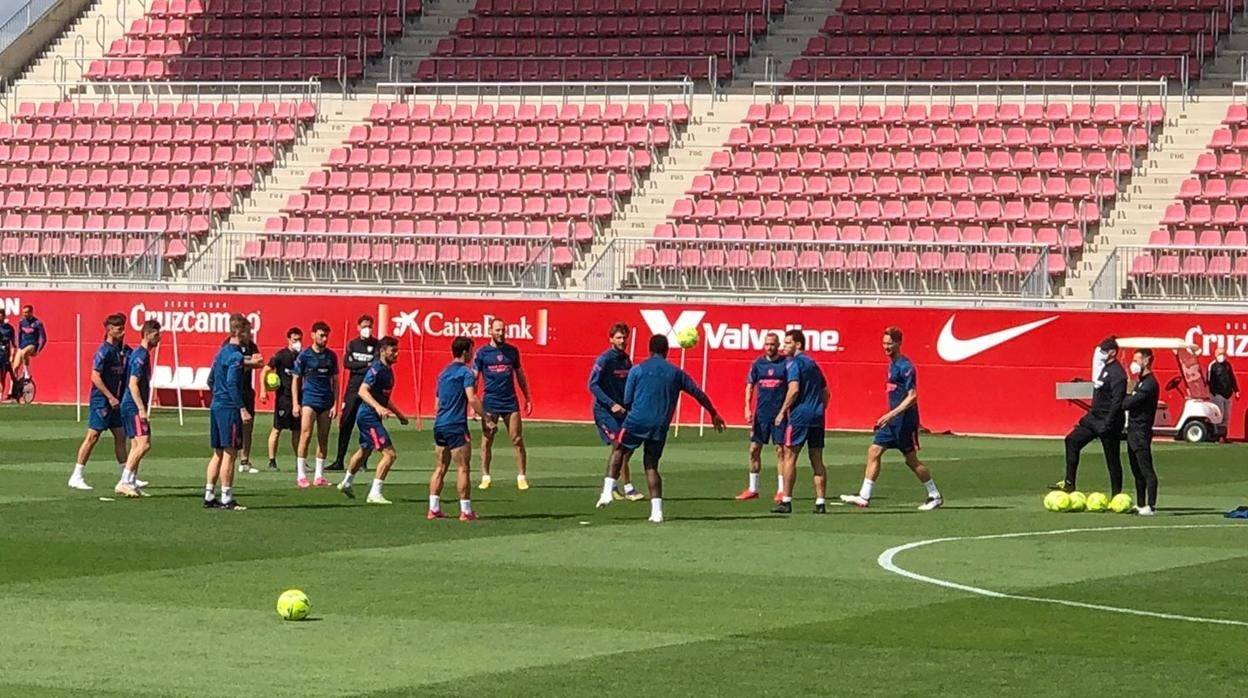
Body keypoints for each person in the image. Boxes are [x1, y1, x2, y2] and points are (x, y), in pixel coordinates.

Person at [595, 334, 726, 523]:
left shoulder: (637, 369)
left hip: (636, 421)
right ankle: (657, 513)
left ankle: (607, 491)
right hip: (660, 425)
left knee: (619, 449)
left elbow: (627, 399)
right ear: (667, 351)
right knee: (651, 466)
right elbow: (698, 393)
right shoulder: (677, 373)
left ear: (650, 350)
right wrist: (713, 413)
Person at [840, 327, 944, 511]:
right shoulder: (892, 364)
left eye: (889, 343)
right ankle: (864, 496)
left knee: (911, 460)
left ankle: (934, 495)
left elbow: (912, 396)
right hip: (892, 422)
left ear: (898, 343)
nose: (886, 347)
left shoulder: (906, 366)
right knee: (874, 451)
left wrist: (889, 415)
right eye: (884, 343)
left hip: (905, 422)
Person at [338, 337, 409, 504]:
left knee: (365, 450)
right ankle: (374, 493)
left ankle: (346, 483)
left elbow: (385, 398)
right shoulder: (376, 368)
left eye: (397, 350)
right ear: (383, 351)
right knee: (390, 454)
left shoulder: (388, 370)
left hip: (371, 415)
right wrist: (377, 407)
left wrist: (399, 414)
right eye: (393, 351)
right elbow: (362, 391)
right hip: (368, 416)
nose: (396, 354)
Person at [1054, 336, 1126, 495]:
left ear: (1113, 352)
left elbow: (1117, 401)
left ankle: (1116, 494)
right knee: (1072, 440)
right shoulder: (1105, 368)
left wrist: (1108, 423)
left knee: (1112, 458)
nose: (1101, 353)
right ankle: (1069, 483)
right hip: (1095, 417)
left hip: (1109, 421)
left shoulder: (1118, 374)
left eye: (1104, 351)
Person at [67, 314, 132, 491]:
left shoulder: (119, 351)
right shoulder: (104, 351)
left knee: (120, 435)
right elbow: (95, 376)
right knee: (92, 436)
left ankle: (126, 476)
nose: (123, 332)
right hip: (101, 400)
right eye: (119, 329)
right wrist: (109, 396)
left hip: (114, 401)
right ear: (110, 330)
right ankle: (76, 475)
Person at [771, 330, 831, 514]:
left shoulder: (794, 363)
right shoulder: (813, 364)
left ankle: (786, 501)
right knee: (817, 459)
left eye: (788, 343)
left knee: (789, 456)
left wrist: (782, 411)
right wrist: (819, 409)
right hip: (817, 417)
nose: (784, 346)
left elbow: (794, 389)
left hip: (799, 417)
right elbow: (826, 392)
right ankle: (820, 502)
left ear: (798, 344)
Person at [204, 315, 259, 511]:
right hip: (229, 408)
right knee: (230, 452)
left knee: (218, 452)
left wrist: (218, 396)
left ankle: (209, 494)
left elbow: (210, 380)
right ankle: (226, 497)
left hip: (216, 406)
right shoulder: (235, 356)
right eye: (248, 331)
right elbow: (232, 383)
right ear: (240, 332)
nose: (250, 335)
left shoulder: (221, 353)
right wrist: (242, 408)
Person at [428, 336, 485, 521]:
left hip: (439, 424)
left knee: (440, 467)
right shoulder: (466, 373)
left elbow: (436, 404)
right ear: (465, 352)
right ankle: (466, 511)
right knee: (463, 467)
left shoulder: (443, 373)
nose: (472, 354)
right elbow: (472, 398)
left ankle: (433, 508)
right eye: (471, 351)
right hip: (456, 425)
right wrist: (486, 418)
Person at [474, 318, 533, 491]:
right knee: (487, 439)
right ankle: (485, 476)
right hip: (490, 401)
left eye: (503, 330)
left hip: (510, 401)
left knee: (517, 438)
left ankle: (521, 477)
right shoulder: (482, 353)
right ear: (490, 331)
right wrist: (474, 405)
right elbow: (475, 378)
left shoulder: (512, 351)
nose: (501, 333)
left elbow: (520, 375)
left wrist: (527, 397)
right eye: (498, 330)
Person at [587, 322, 643, 502]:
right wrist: (611, 404)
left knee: (626, 448)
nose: (622, 341)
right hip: (605, 412)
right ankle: (627, 488)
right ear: (611, 339)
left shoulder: (626, 360)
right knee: (619, 445)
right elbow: (592, 385)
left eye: (624, 337)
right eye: (618, 337)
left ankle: (613, 485)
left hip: (623, 412)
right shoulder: (604, 360)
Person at [738, 331, 786, 502]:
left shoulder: (785, 364)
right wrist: (747, 407)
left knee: (780, 451)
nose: (769, 347)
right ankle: (753, 488)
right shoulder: (758, 364)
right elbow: (750, 385)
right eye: (767, 344)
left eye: (772, 344)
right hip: (761, 415)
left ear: (778, 345)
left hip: (779, 415)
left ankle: (782, 490)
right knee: (754, 449)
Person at [115, 320, 161, 498]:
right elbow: (133, 384)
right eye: (156, 335)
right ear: (147, 335)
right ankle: (124, 481)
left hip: (130, 405)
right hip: (133, 406)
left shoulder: (140, 354)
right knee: (144, 444)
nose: (159, 339)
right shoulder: (140, 356)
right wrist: (141, 409)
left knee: (136, 445)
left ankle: (132, 482)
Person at [291, 321, 339, 488]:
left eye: (326, 336)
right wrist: (295, 403)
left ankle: (319, 475)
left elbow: (335, 381)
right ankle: (301, 474)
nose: (324, 339)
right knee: (305, 435)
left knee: (323, 438)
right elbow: (296, 379)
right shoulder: (304, 356)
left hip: (326, 402)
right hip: (309, 400)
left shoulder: (331, 356)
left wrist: (335, 404)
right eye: (321, 335)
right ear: (313, 335)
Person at [330, 315, 380, 471]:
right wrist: (365, 364)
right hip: (352, 389)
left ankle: (363, 461)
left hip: (369, 389)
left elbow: (375, 366)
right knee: (346, 423)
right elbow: (347, 363)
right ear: (358, 327)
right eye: (364, 326)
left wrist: (358, 365)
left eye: (369, 326)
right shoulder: (352, 344)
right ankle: (339, 460)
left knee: (366, 423)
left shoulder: (377, 345)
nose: (367, 329)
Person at [222, 315, 261, 474]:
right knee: (231, 428)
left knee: (247, 427)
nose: (250, 334)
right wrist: (247, 363)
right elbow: (228, 365)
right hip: (233, 393)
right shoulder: (228, 345)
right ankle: (228, 458)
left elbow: (259, 361)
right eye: (248, 331)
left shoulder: (252, 346)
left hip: (246, 390)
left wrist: (244, 364)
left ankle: (245, 460)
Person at [260, 327, 303, 471]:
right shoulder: (281, 355)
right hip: (283, 399)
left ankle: (299, 462)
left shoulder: (302, 356)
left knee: (297, 431)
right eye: (295, 340)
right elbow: (265, 371)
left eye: (299, 339)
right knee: (277, 429)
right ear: (288, 339)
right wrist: (263, 390)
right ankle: (272, 461)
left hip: (299, 398)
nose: (297, 342)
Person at [1124, 349, 1160, 516]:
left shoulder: (1150, 384)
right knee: (1136, 470)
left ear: (1146, 361)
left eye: (1136, 360)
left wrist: (1127, 396)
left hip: (1141, 431)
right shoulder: (1140, 382)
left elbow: (1128, 403)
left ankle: (1151, 506)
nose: (1134, 363)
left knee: (1147, 470)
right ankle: (1140, 503)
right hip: (1133, 430)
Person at [10, 304, 46, 398]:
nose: (24, 314)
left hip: (32, 345)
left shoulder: (37, 323)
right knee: (14, 368)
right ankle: (14, 390)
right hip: (22, 346)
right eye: (23, 312)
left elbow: (43, 338)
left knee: (24, 352)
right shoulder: (21, 322)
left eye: (26, 312)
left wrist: (38, 350)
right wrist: (18, 346)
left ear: (31, 312)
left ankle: (26, 373)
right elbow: (19, 334)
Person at [1208, 349, 1239, 441]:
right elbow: (1209, 381)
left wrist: (1236, 390)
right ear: (1216, 355)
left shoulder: (1227, 365)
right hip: (1218, 394)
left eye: (1223, 354)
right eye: (1220, 354)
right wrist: (1214, 393)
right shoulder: (1212, 366)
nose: (1222, 356)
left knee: (1226, 416)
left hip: (1228, 394)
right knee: (1219, 415)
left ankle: (1224, 435)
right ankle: (1217, 435)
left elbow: (1232, 378)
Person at [0, 309, 15, 400]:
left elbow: (13, 344)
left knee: (3, 376)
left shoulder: (9, 328)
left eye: (1, 316)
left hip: (4, 355)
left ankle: (1, 395)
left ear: (4, 316)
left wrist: (12, 355)